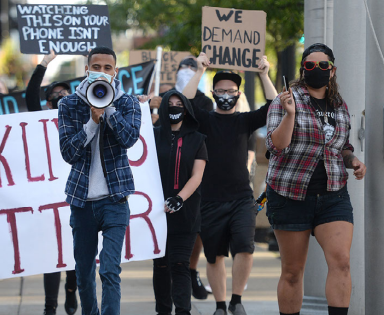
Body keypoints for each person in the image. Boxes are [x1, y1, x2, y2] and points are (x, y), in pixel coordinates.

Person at [265, 43, 366, 315]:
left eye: (323, 66)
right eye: (310, 65)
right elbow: (277, 146)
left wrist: (352, 160)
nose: (317, 70)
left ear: (332, 71)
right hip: (290, 195)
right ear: (303, 69)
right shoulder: (286, 100)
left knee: (342, 262)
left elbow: (341, 146)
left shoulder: (339, 104)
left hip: (333, 195)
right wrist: (290, 114)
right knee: (293, 272)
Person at [181, 52, 277, 315]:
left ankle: (236, 300)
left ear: (238, 93)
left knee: (245, 248)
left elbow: (274, 104)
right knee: (214, 255)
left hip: (241, 199)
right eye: (221, 90)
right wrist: (200, 70)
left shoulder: (244, 120)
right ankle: (221, 306)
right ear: (213, 93)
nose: (226, 94)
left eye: (231, 90)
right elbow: (185, 100)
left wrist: (263, 75)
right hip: (210, 199)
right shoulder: (205, 120)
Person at [58, 46, 141, 315]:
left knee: (109, 269)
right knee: (83, 273)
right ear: (87, 70)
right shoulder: (69, 105)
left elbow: (129, 139)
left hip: (115, 200)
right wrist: (92, 123)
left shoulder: (128, 103)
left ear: (115, 72)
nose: (102, 72)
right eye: (96, 67)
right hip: (81, 202)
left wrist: (109, 112)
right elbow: (68, 153)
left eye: (108, 68)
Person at [25, 50, 79, 315]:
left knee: (76, 253)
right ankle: (50, 306)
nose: (60, 98)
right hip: (48, 198)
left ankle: (71, 289)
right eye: (54, 96)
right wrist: (44, 63)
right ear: (47, 104)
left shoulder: (82, 120)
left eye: (65, 94)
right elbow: (29, 95)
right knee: (52, 252)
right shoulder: (40, 121)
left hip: (77, 194)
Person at [153, 90, 207, 315]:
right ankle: (163, 310)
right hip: (156, 214)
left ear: (186, 109)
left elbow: (197, 175)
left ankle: (183, 311)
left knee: (179, 264)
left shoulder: (197, 139)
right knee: (161, 265)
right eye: (170, 104)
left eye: (179, 104)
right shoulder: (152, 135)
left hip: (185, 213)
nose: (174, 108)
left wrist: (179, 198)